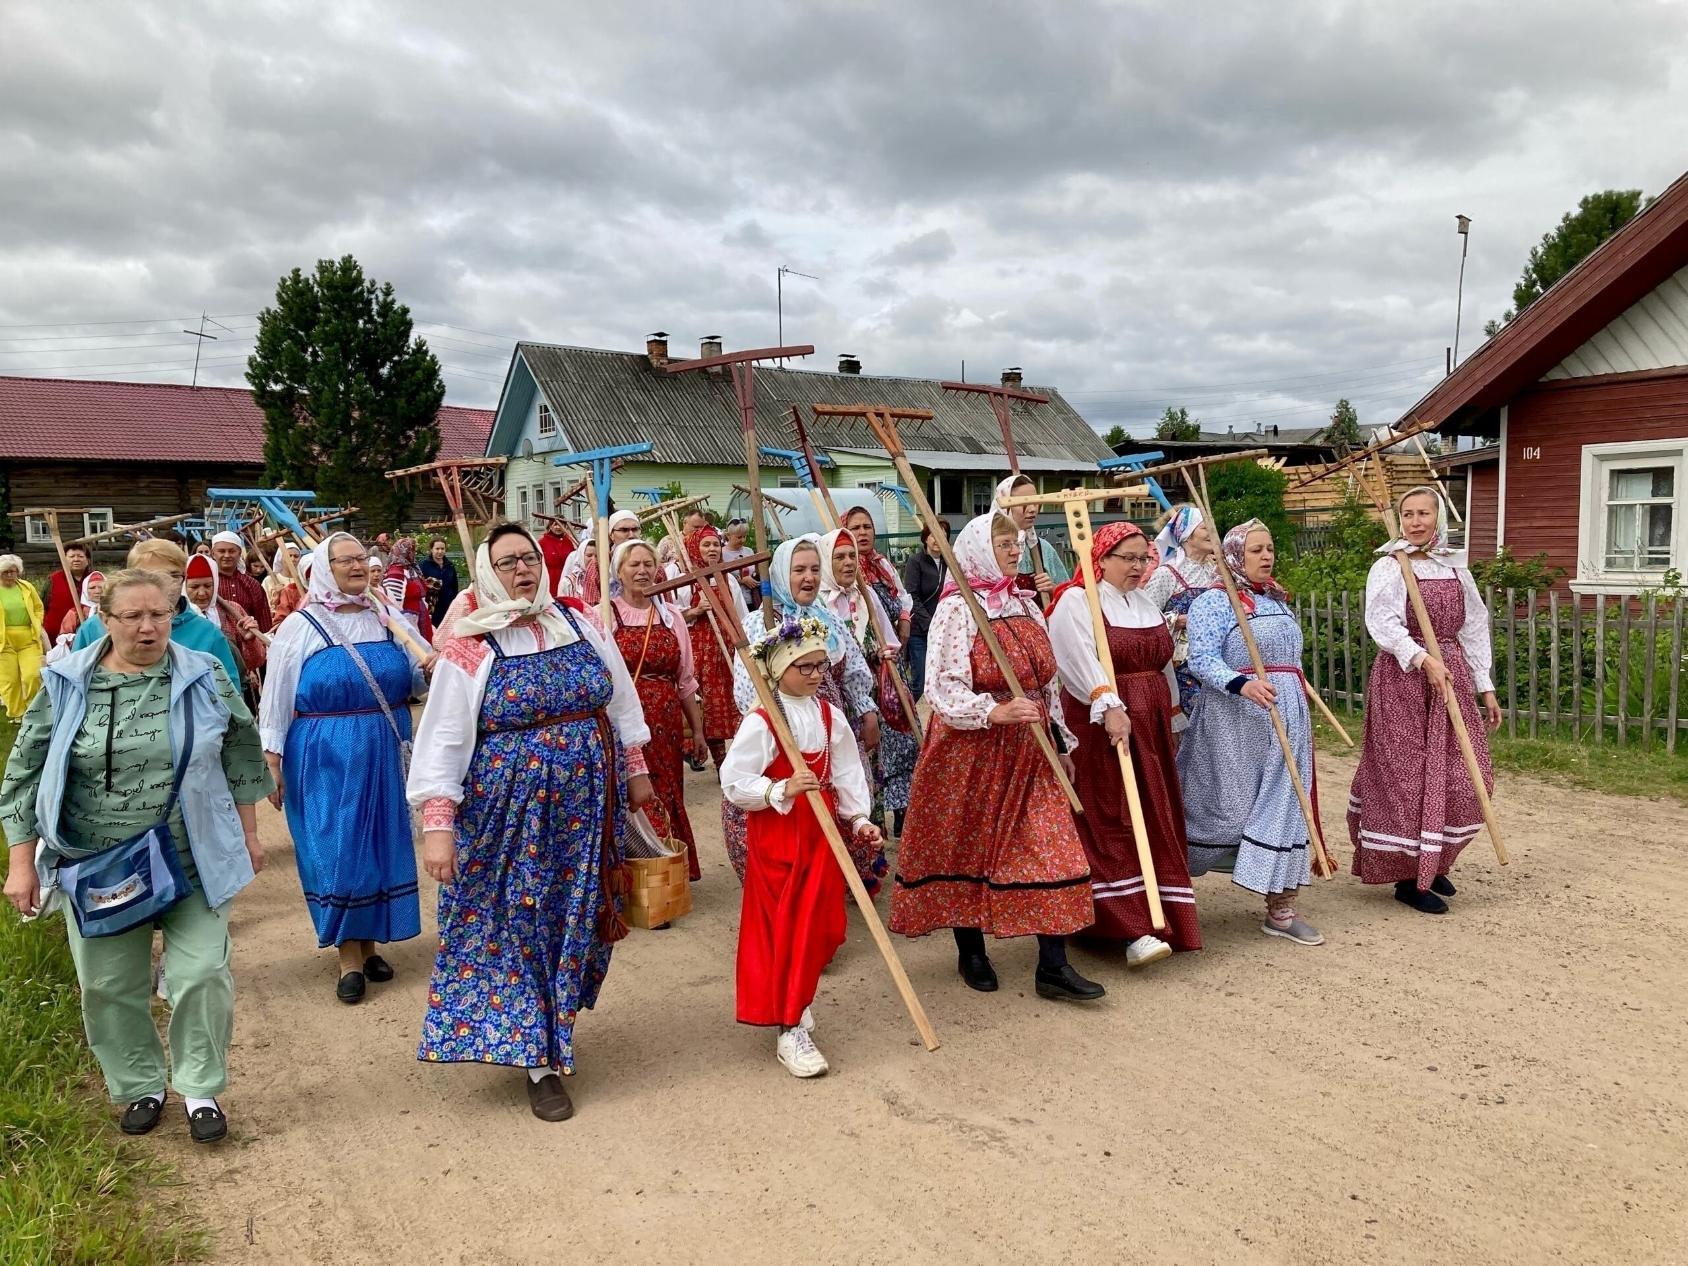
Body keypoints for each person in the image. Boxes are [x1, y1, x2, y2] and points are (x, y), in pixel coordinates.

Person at [2, 569, 272, 1144]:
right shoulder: (65, 682)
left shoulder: (204, 674)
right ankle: (140, 1085)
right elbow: (22, 774)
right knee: (107, 985)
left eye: (161, 615)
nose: (149, 627)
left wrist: (249, 835)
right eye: (134, 617)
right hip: (100, 864)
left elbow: (241, 751)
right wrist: (20, 862)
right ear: (106, 619)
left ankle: (200, 1087)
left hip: (191, 854)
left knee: (202, 973)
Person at [408, 524, 652, 1122]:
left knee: (573, 920)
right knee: (519, 921)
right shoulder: (470, 644)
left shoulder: (577, 622)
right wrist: (438, 824)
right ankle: (537, 1059)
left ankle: (555, 1030)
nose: (524, 569)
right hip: (507, 815)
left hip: (586, 813)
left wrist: (637, 768)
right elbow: (441, 737)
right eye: (509, 562)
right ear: (488, 574)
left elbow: (618, 697)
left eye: (530, 559)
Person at [888, 512, 1103, 1002]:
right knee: (971, 847)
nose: (1015, 550)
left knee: (1053, 849)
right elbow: (940, 688)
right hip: (971, 751)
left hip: (1031, 749)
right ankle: (972, 951)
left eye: (1017, 542)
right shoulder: (957, 610)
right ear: (980, 548)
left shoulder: (1025, 604)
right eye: (1004, 543)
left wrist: (1063, 741)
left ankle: (1053, 965)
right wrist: (993, 710)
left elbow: (1045, 684)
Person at [261, 532, 429, 1002]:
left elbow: (413, 677)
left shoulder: (387, 618)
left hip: (384, 742)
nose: (358, 566)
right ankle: (347, 956)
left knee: (379, 844)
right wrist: (271, 760)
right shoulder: (300, 628)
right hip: (325, 751)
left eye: (362, 558)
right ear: (324, 568)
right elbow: (275, 698)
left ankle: (370, 944)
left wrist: (431, 668)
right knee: (338, 849)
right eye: (346, 560)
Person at [721, 616, 879, 1079]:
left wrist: (861, 818)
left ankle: (798, 998)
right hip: (780, 835)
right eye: (803, 667)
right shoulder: (764, 721)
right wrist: (779, 789)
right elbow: (734, 781)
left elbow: (848, 770)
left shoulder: (830, 715)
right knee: (789, 928)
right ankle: (790, 1027)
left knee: (820, 924)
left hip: (823, 831)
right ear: (778, 670)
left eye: (819, 666)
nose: (814, 675)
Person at [1047, 521, 1200, 964]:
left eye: (1143, 557)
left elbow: (1162, 663)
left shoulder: (1144, 604)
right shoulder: (1078, 602)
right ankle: (1127, 924)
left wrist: (1171, 715)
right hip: (1101, 725)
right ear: (1102, 558)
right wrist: (1108, 704)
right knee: (1112, 814)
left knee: (1153, 811)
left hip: (1147, 723)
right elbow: (1074, 659)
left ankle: (1163, 914)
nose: (1137, 566)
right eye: (1127, 558)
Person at [1349, 487, 1502, 915]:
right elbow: (1382, 622)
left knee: (1464, 774)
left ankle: (1433, 861)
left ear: (1439, 517)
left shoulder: (1455, 567)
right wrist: (1421, 658)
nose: (1416, 522)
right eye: (1408, 514)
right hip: (1405, 678)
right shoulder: (1389, 566)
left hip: (1450, 674)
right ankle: (1407, 878)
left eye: (1424, 513)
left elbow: (1473, 626)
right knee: (1408, 777)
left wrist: (1484, 684)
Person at [1177, 519, 1324, 947]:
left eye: (1271, 548)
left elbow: (1288, 658)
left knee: (1285, 805)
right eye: (1256, 549)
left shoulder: (1277, 600)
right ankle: (1163, 886)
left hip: (1285, 719)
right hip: (1232, 724)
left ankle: (1281, 909)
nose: (1267, 556)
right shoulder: (1215, 602)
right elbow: (1200, 659)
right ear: (1236, 556)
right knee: (1222, 811)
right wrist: (1242, 683)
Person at [727, 537, 883, 889]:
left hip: (830, 724)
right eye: (799, 570)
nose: (809, 577)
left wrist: (866, 711)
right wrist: (782, 715)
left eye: (815, 569)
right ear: (784, 574)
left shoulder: (829, 621)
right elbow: (746, 689)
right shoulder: (758, 624)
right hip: (780, 729)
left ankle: (833, 886)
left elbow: (855, 672)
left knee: (845, 794)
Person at [598, 539, 706, 880]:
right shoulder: (604, 615)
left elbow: (686, 679)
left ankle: (667, 870)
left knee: (666, 791)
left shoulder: (672, 617)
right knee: (629, 791)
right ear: (619, 571)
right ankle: (635, 872)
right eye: (634, 565)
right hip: (621, 720)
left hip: (666, 719)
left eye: (649, 564)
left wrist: (698, 731)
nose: (643, 571)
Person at [819, 527, 916, 837]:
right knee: (844, 770)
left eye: (852, 556)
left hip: (871, 694)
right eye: (839, 557)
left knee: (872, 766)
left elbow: (889, 640)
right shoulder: (819, 604)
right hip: (837, 700)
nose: (849, 563)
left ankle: (873, 843)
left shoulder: (867, 595)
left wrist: (885, 654)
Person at [72, 540, 244, 688]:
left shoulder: (207, 634)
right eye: (152, 576)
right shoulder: (96, 628)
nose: (165, 585)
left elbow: (227, 700)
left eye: (174, 576)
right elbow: (74, 686)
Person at [1142, 504, 1221, 715]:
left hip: (1218, 662)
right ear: (1187, 535)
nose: (1212, 532)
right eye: (1205, 528)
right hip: (1181, 668)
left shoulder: (1217, 574)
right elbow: (1144, 621)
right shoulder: (1166, 575)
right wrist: (1178, 620)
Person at [682, 524, 744, 769]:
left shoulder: (728, 579)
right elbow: (675, 617)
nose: (712, 549)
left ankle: (734, 762)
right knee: (706, 708)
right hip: (700, 653)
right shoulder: (688, 581)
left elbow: (741, 615)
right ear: (695, 549)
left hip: (726, 650)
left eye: (715, 544)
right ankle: (717, 759)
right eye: (705, 544)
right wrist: (695, 611)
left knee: (732, 705)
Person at [182, 554, 256, 686]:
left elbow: (254, 662)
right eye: (194, 587)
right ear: (183, 586)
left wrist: (249, 641)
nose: (202, 593)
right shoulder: (177, 618)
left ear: (215, 584)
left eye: (208, 586)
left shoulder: (232, 610)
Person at [995, 474, 1070, 600]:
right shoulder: (987, 550)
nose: (1032, 509)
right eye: (1023, 503)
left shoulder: (1043, 549)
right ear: (1003, 505)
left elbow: (1071, 596)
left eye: (1035, 502)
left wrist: (1052, 588)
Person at [902, 518, 949, 699]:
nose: (937, 540)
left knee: (940, 681)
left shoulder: (949, 562)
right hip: (920, 631)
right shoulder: (916, 561)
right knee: (919, 683)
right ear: (925, 538)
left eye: (942, 536)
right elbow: (911, 595)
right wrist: (930, 623)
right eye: (933, 535)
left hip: (942, 632)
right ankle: (906, 720)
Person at [0, 555, 49, 720]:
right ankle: (16, 713)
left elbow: (38, 607)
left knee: (32, 675)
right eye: (5, 572)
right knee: (9, 681)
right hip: (3, 640)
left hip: (28, 638)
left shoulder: (27, 587)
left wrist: (37, 621)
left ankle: (32, 710)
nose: (9, 575)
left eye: (13, 571)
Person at [209, 532, 273, 635]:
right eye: (221, 551)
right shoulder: (207, 583)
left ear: (239, 553)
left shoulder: (252, 585)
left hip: (248, 644)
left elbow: (264, 624)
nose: (227, 555)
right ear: (213, 553)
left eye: (232, 551)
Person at [382, 537, 435, 642]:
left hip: (421, 618)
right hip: (409, 621)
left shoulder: (412, 569)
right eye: (411, 550)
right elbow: (392, 603)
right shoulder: (395, 572)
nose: (413, 553)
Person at [42, 542, 92, 638]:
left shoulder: (95, 579)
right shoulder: (53, 579)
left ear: (88, 560)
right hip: (55, 637)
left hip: (87, 635)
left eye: (80, 556)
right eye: (72, 556)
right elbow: (41, 606)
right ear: (64, 560)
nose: (76, 559)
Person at [419, 537, 461, 628]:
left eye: (442, 549)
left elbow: (454, 586)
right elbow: (420, 584)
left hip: (448, 606)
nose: (440, 551)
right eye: (437, 549)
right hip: (432, 607)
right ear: (431, 549)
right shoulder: (424, 565)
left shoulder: (449, 565)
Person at [538, 515, 577, 600]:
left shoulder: (568, 541)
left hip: (566, 579)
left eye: (561, 525)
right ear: (550, 526)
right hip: (550, 579)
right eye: (555, 524)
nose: (558, 527)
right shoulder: (542, 542)